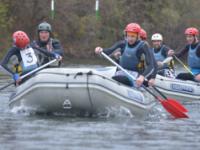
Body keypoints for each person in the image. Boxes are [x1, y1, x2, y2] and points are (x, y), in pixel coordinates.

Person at [95, 23, 157, 87]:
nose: (130, 38)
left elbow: (151, 65)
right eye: (128, 35)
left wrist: (143, 77)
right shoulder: (123, 43)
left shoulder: (143, 46)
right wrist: (101, 50)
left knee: (123, 79)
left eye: (132, 36)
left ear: (138, 36)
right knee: (119, 78)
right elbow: (108, 51)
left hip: (135, 76)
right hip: (121, 72)